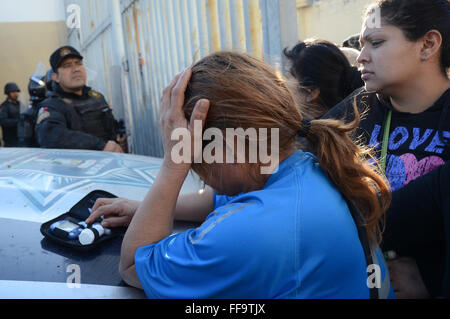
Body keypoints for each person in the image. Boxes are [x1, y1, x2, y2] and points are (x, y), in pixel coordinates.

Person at [86, 51, 394, 299]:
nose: (198, 173)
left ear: (228, 146)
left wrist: (171, 166)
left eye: (195, 160)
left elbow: (133, 265)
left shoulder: (252, 232)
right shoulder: (309, 167)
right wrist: (144, 208)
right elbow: (221, 198)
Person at [323, 0, 450, 298]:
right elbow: (291, 155)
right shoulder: (359, 108)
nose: (360, 58)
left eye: (376, 43)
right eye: (361, 45)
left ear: (428, 45)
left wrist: (430, 281)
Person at [35, 46, 125, 153]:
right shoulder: (52, 105)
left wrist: (119, 137)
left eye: (78, 63)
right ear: (56, 77)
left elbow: (110, 125)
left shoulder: (97, 97)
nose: (76, 69)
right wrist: (100, 146)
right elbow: (51, 136)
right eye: (67, 66)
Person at [284, 39, 364, 119]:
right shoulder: (353, 121)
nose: (281, 82)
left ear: (312, 92)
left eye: (288, 76)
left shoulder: (308, 130)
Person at [0, 82, 22, 147]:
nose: (15, 94)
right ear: (8, 93)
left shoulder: (20, 104)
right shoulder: (5, 106)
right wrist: (18, 121)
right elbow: (3, 121)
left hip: (20, 137)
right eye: (13, 92)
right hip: (10, 140)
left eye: (16, 92)